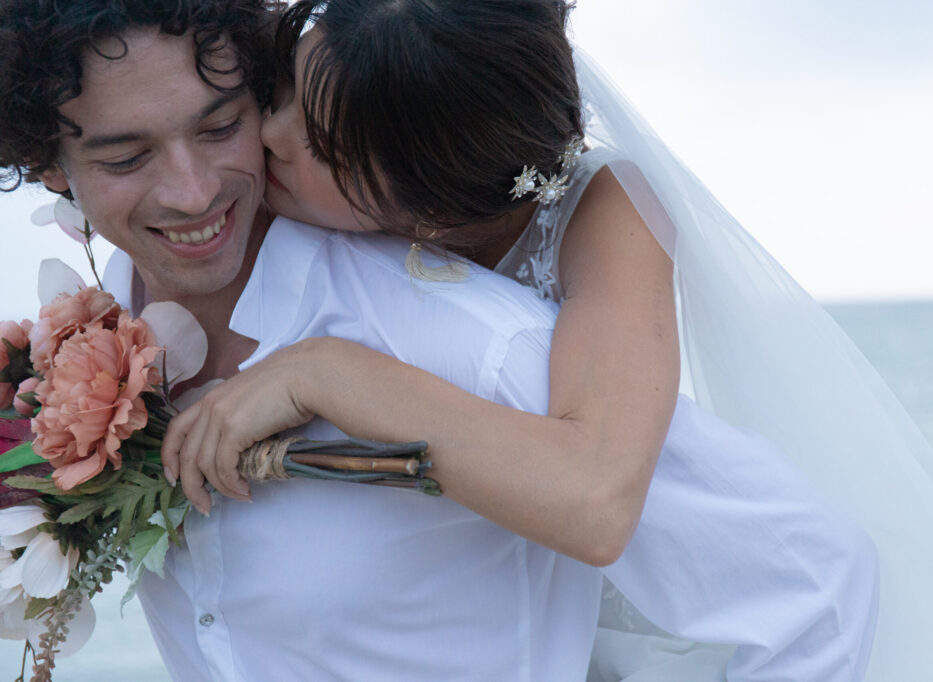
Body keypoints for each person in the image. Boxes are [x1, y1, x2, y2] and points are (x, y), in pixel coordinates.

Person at [0, 0, 881, 680]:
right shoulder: (106, 326)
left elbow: (805, 577)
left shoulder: (473, 334)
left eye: (224, 124)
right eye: (125, 158)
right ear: (49, 167)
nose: (201, 188)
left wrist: (331, 373)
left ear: (422, 206)